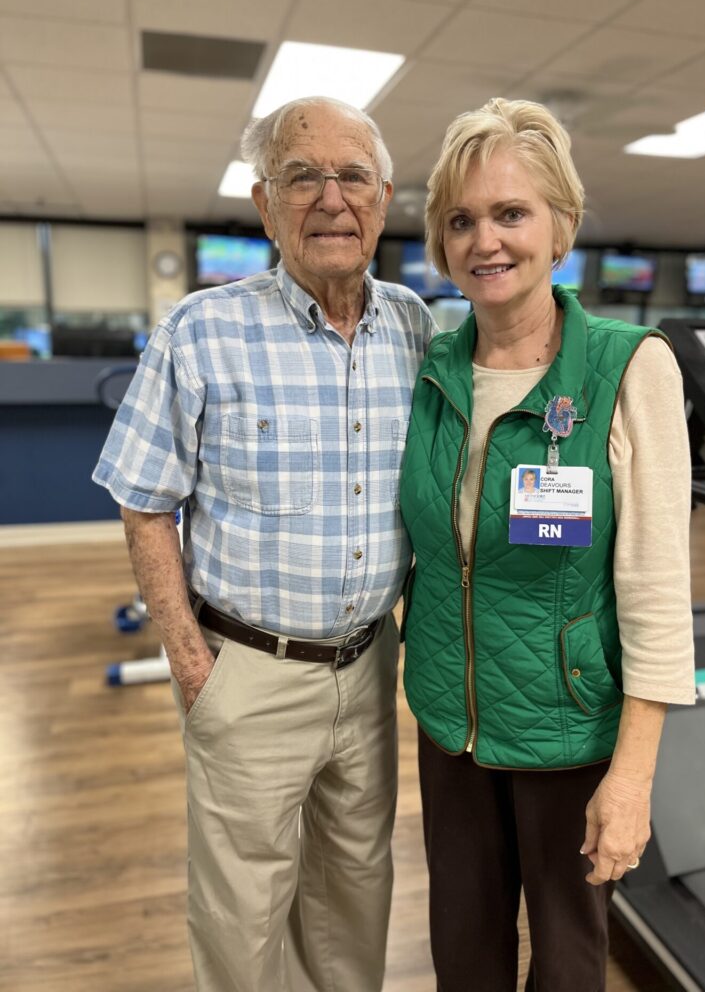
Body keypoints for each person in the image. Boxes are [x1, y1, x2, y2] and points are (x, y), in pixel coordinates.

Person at [93, 96, 436, 992]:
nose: (332, 198)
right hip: (245, 671)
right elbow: (142, 504)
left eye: (352, 175)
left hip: (369, 670)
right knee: (241, 919)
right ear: (264, 204)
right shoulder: (202, 332)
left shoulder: (417, 330)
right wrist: (190, 663)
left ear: (385, 196)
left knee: (357, 895)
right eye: (302, 176)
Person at [398, 98, 695, 992]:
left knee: (567, 964)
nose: (485, 241)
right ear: (441, 245)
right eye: (461, 220)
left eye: (510, 213)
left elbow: (654, 588)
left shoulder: (627, 366)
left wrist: (633, 780)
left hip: (571, 731)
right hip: (451, 729)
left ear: (560, 229)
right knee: (464, 956)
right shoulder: (434, 372)